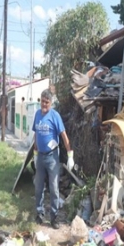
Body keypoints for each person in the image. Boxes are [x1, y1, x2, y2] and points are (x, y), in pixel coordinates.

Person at [33, 89, 74, 229]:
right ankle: (39, 213)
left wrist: (70, 155)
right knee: (38, 186)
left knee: (54, 188)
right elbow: (36, 135)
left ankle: (54, 217)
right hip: (40, 157)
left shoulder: (55, 116)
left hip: (52, 157)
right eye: (42, 101)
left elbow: (63, 135)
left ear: (51, 103)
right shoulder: (37, 115)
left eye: (47, 102)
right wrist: (35, 153)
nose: (44, 104)